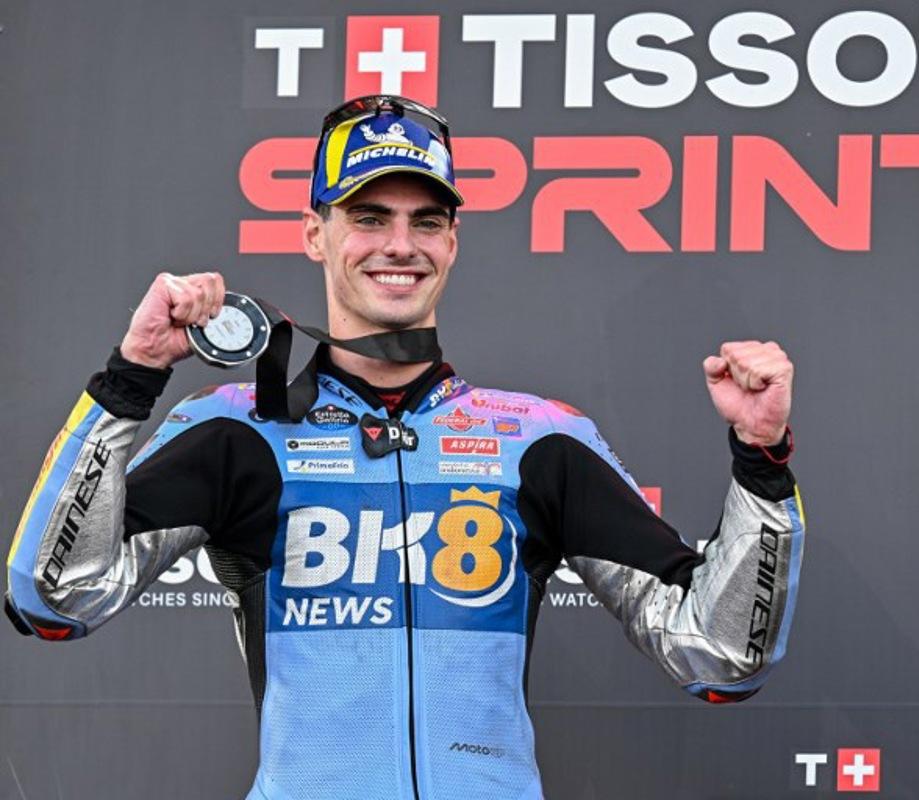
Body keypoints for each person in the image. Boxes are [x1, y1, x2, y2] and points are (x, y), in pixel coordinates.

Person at [5, 96, 806, 800]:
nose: (400, 245)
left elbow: (720, 655)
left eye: (425, 221)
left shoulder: (538, 440)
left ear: (453, 241)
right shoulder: (239, 430)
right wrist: (130, 379)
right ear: (316, 235)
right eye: (368, 217)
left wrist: (760, 460)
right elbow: (53, 599)